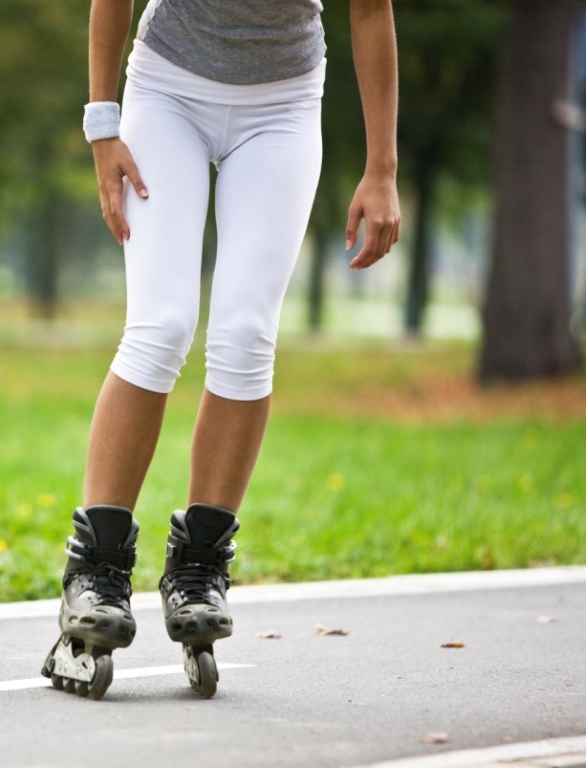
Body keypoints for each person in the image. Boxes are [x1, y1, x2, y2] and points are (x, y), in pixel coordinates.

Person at [41, 0, 400, 700]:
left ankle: (199, 568)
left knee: (243, 335)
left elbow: (370, 9)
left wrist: (381, 168)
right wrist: (101, 125)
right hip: (167, 87)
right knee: (162, 325)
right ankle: (96, 574)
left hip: (284, 103)